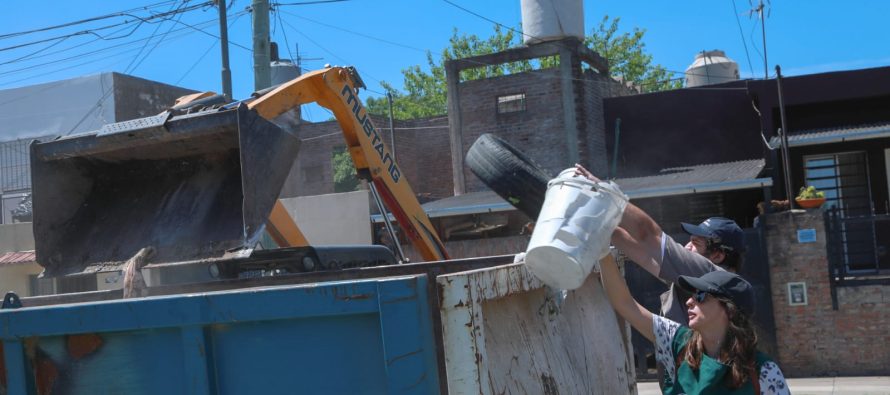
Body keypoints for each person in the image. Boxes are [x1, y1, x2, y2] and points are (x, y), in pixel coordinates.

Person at [575, 164, 747, 325]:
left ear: (717, 256)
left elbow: (646, 233)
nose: (687, 247)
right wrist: (601, 225)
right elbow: (642, 252)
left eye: (696, 243)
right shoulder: (698, 282)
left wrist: (605, 193)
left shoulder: (707, 273)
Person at [598, 253, 790, 394]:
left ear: (729, 310)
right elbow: (624, 304)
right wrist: (602, 252)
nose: (690, 301)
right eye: (691, 295)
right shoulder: (677, 342)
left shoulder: (764, 372)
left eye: (701, 295)